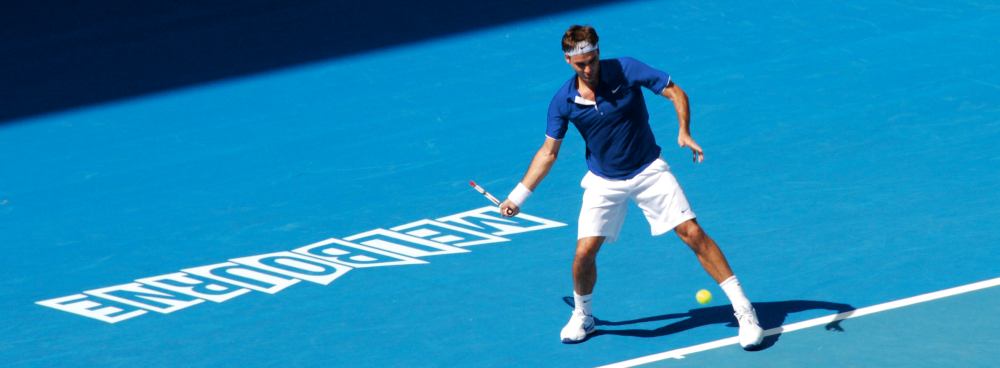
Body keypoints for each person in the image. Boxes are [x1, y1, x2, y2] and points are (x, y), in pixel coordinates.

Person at [498, 25, 764, 348]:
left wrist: (684, 130)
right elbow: (548, 153)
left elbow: (676, 92)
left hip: (648, 170)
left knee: (692, 233)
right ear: (568, 61)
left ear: (598, 52)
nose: (588, 69)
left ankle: (745, 310)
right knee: (584, 253)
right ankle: (584, 316)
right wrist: (517, 197)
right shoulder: (562, 101)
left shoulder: (626, 69)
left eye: (592, 61)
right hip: (603, 181)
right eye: (581, 64)